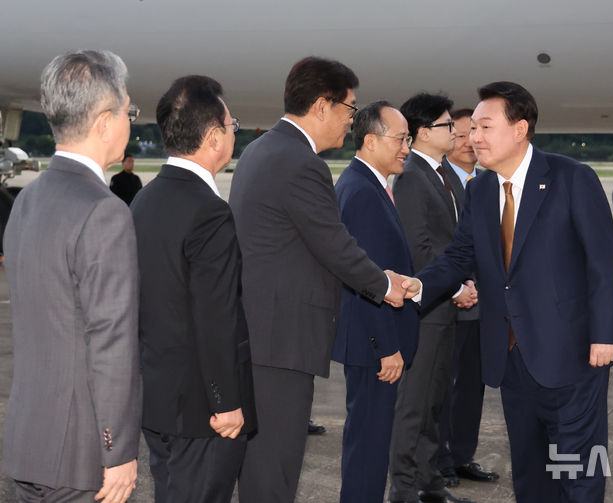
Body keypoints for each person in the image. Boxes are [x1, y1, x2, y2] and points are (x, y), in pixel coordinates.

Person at [410, 81, 613, 503]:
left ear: (520, 129)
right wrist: (417, 287)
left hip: (572, 355)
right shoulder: (481, 190)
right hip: (510, 358)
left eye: (485, 127)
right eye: (472, 129)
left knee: (577, 474)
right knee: (530, 473)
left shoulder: (571, 178)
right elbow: (459, 258)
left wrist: (605, 335)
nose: (473, 138)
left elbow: (604, 262)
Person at [228, 56, 412, 502]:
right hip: (281, 341)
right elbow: (335, 245)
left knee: (262, 466)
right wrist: (386, 286)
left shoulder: (263, 149)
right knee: (274, 468)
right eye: (350, 109)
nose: (350, 121)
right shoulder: (299, 161)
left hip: (264, 335)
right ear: (322, 105)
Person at [2, 49, 141, 503]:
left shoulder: (28, 199)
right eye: (128, 110)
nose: (129, 121)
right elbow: (111, 343)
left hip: (29, 443)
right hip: (80, 458)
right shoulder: (104, 211)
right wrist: (117, 451)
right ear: (104, 122)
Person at [130, 75, 257, 503]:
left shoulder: (144, 201)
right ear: (214, 137)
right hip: (203, 410)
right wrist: (226, 402)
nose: (234, 133)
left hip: (159, 398)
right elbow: (215, 316)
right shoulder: (210, 212)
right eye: (232, 124)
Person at [388, 93, 477, 503]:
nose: (456, 132)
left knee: (435, 402)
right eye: (446, 125)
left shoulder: (443, 175)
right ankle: (405, 489)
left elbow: (457, 244)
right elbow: (418, 246)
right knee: (414, 406)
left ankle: (429, 483)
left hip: (442, 309)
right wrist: (456, 287)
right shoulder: (411, 177)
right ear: (423, 133)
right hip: (426, 310)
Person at [333, 101, 420, 503]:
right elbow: (366, 278)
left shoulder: (367, 185)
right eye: (401, 139)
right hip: (374, 348)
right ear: (370, 141)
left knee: (369, 444)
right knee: (367, 449)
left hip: (373, 344)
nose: (407, 147)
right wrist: (386, 347)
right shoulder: (362, 192)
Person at [436, 108, 499, 487]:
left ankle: (462, 455)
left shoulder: (489, 183)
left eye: (473, 134)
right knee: (446, 386)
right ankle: (441, 459)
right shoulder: (438, 182)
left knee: (474, 387)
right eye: (459, 135)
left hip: (485, 305)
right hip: (452, 301)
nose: (468, 142)